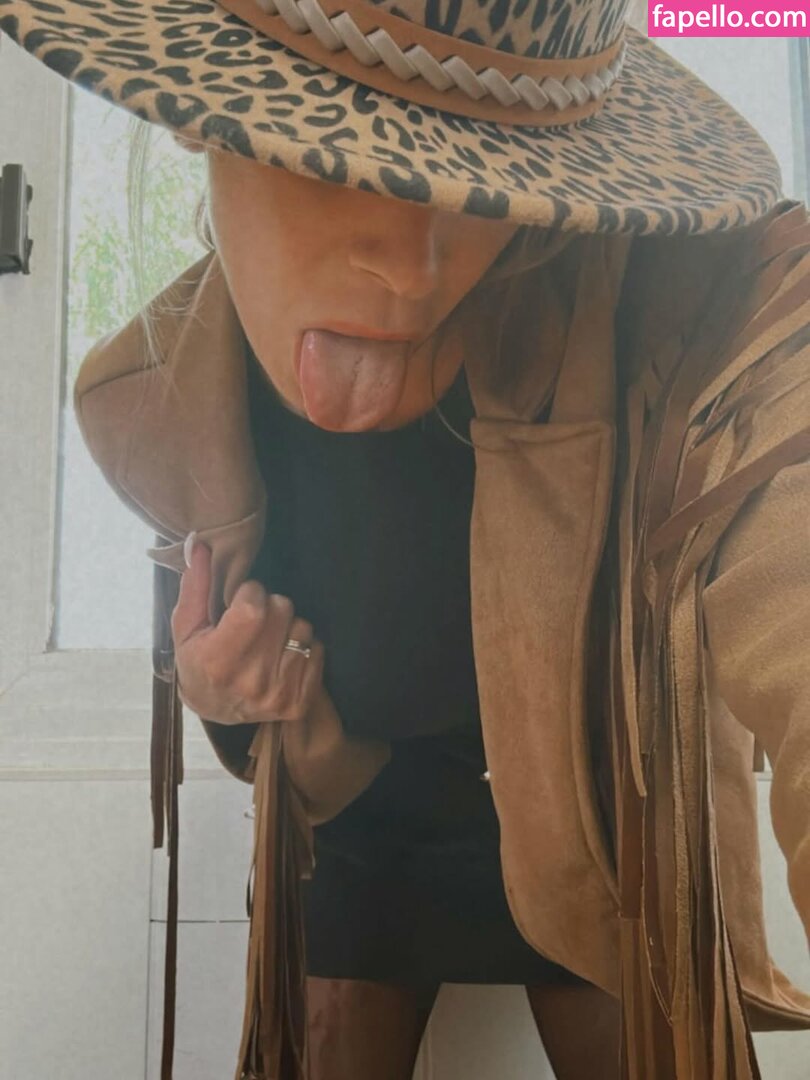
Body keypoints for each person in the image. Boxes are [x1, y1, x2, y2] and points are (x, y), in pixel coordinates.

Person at [4, 1, 810, 1078]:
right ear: (199, 122)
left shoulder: (659, 297)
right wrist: (218, 688)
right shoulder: (152, 400)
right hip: (359, 818)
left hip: (600, 819)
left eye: (483, 171)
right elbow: (217, 646)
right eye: (339, 154)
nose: (416, 263)